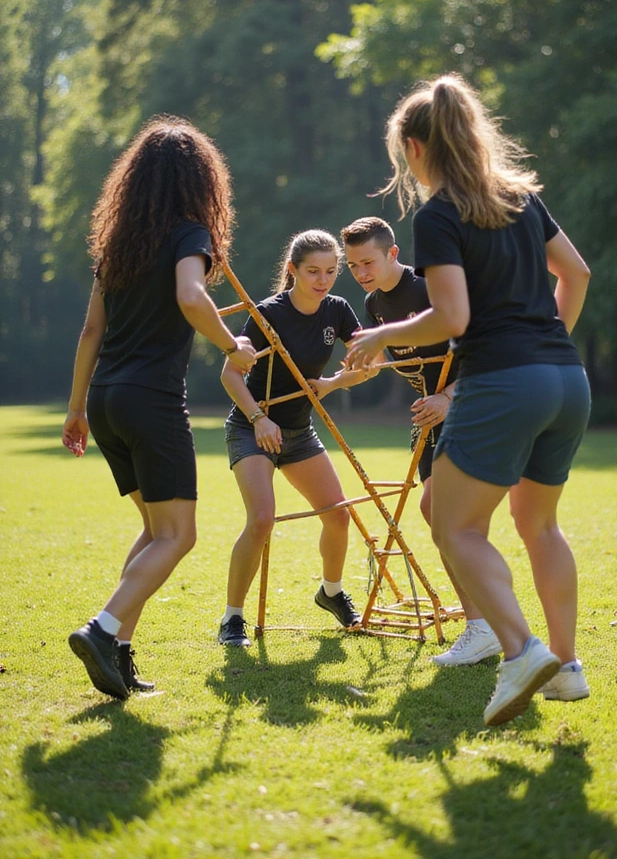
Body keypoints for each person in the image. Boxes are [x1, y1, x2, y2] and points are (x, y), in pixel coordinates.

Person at [346, 74, 591, 726]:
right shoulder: (519, 199)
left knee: (450, 521)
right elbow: (578, 274)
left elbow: (451, 317)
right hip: (567, 379)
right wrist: (546, 345)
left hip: (505, 380)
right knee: (540, 526)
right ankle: (565, 669)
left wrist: (382, 334)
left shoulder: (437, 215)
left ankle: (520, 651)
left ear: (417, 149)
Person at [62, 117, 256, 700]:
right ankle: (102, 629)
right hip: (151, 400)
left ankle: (117, 655)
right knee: (179, 535)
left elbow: (91, 330)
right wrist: (232, 344)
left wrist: (75, 410)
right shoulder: (191, 234)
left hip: (106, 401)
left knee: (154, 531)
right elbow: (191, 297)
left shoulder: (116, 246)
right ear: (201, 181)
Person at [340, 216, 501, 667]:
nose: (361, 272)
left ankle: (487, 625)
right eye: (352, 265)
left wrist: (448, 397)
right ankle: (485, 625)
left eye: (368, 261)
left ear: (393, 254)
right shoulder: (374, 306)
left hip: (467, 407)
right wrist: (334, 383)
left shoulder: (432, 287)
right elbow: (382, 363)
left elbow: (481, 350)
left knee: (447, 515)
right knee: (438, 515)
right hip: (429, 419)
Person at [219, 229, 368, 647]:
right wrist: (258, 418)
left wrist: (335, 382)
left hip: (299, 432)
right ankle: (232, 619)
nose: (323, 280)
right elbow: (230, 374)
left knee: (338, 516)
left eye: (331, 271)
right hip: (252, 429)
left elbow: (364, 362)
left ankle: (331, 593)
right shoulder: (267, 314)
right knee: (262, 519)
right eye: (313, 272)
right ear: (293, 270)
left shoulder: (337, 310)